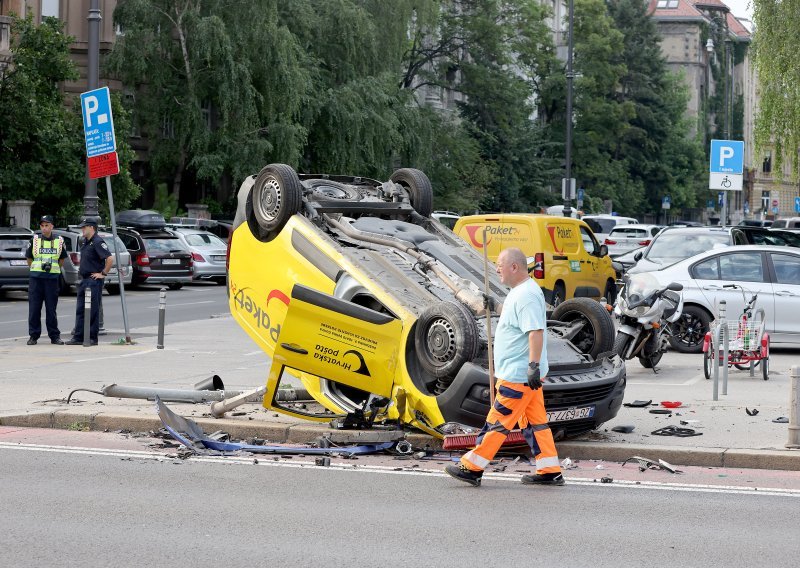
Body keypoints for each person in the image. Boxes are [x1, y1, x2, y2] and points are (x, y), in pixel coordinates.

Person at [445, 247, 563, 487]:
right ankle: (550, 470)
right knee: (535, 424)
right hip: (522, 374)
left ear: (514, 267)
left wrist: (532, 366)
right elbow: (518, 320)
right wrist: (497, 306)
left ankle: (472, 467)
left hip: (519, 375)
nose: (496, 268)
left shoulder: (526, 295)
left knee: (498, 421)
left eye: (500, 264)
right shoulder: (521, 292)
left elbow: (535, 333)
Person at [66, 219, 112, 346]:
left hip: (93, 280)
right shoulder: (86, 242)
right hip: (84, 279)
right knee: (81, 309)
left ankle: (92, 338)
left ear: (92, 227)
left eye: (84, 227)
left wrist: (103, 274)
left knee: (92, 310)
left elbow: (109, 258)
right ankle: (79, 337)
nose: (82, 229)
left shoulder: (97, 241)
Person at [25, 215, 67, 345]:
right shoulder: (35, 240)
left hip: (51, 279)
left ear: (52, 226)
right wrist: (36, 269)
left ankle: (54, 336)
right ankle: (33, 336)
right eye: (42, 226)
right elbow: (29, 258)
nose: (44, 228)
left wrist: (54, 270)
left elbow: (61, 260)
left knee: (51, 310)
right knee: (34, 309)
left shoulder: (59, 240)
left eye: (46, 225)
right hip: (36, 279)